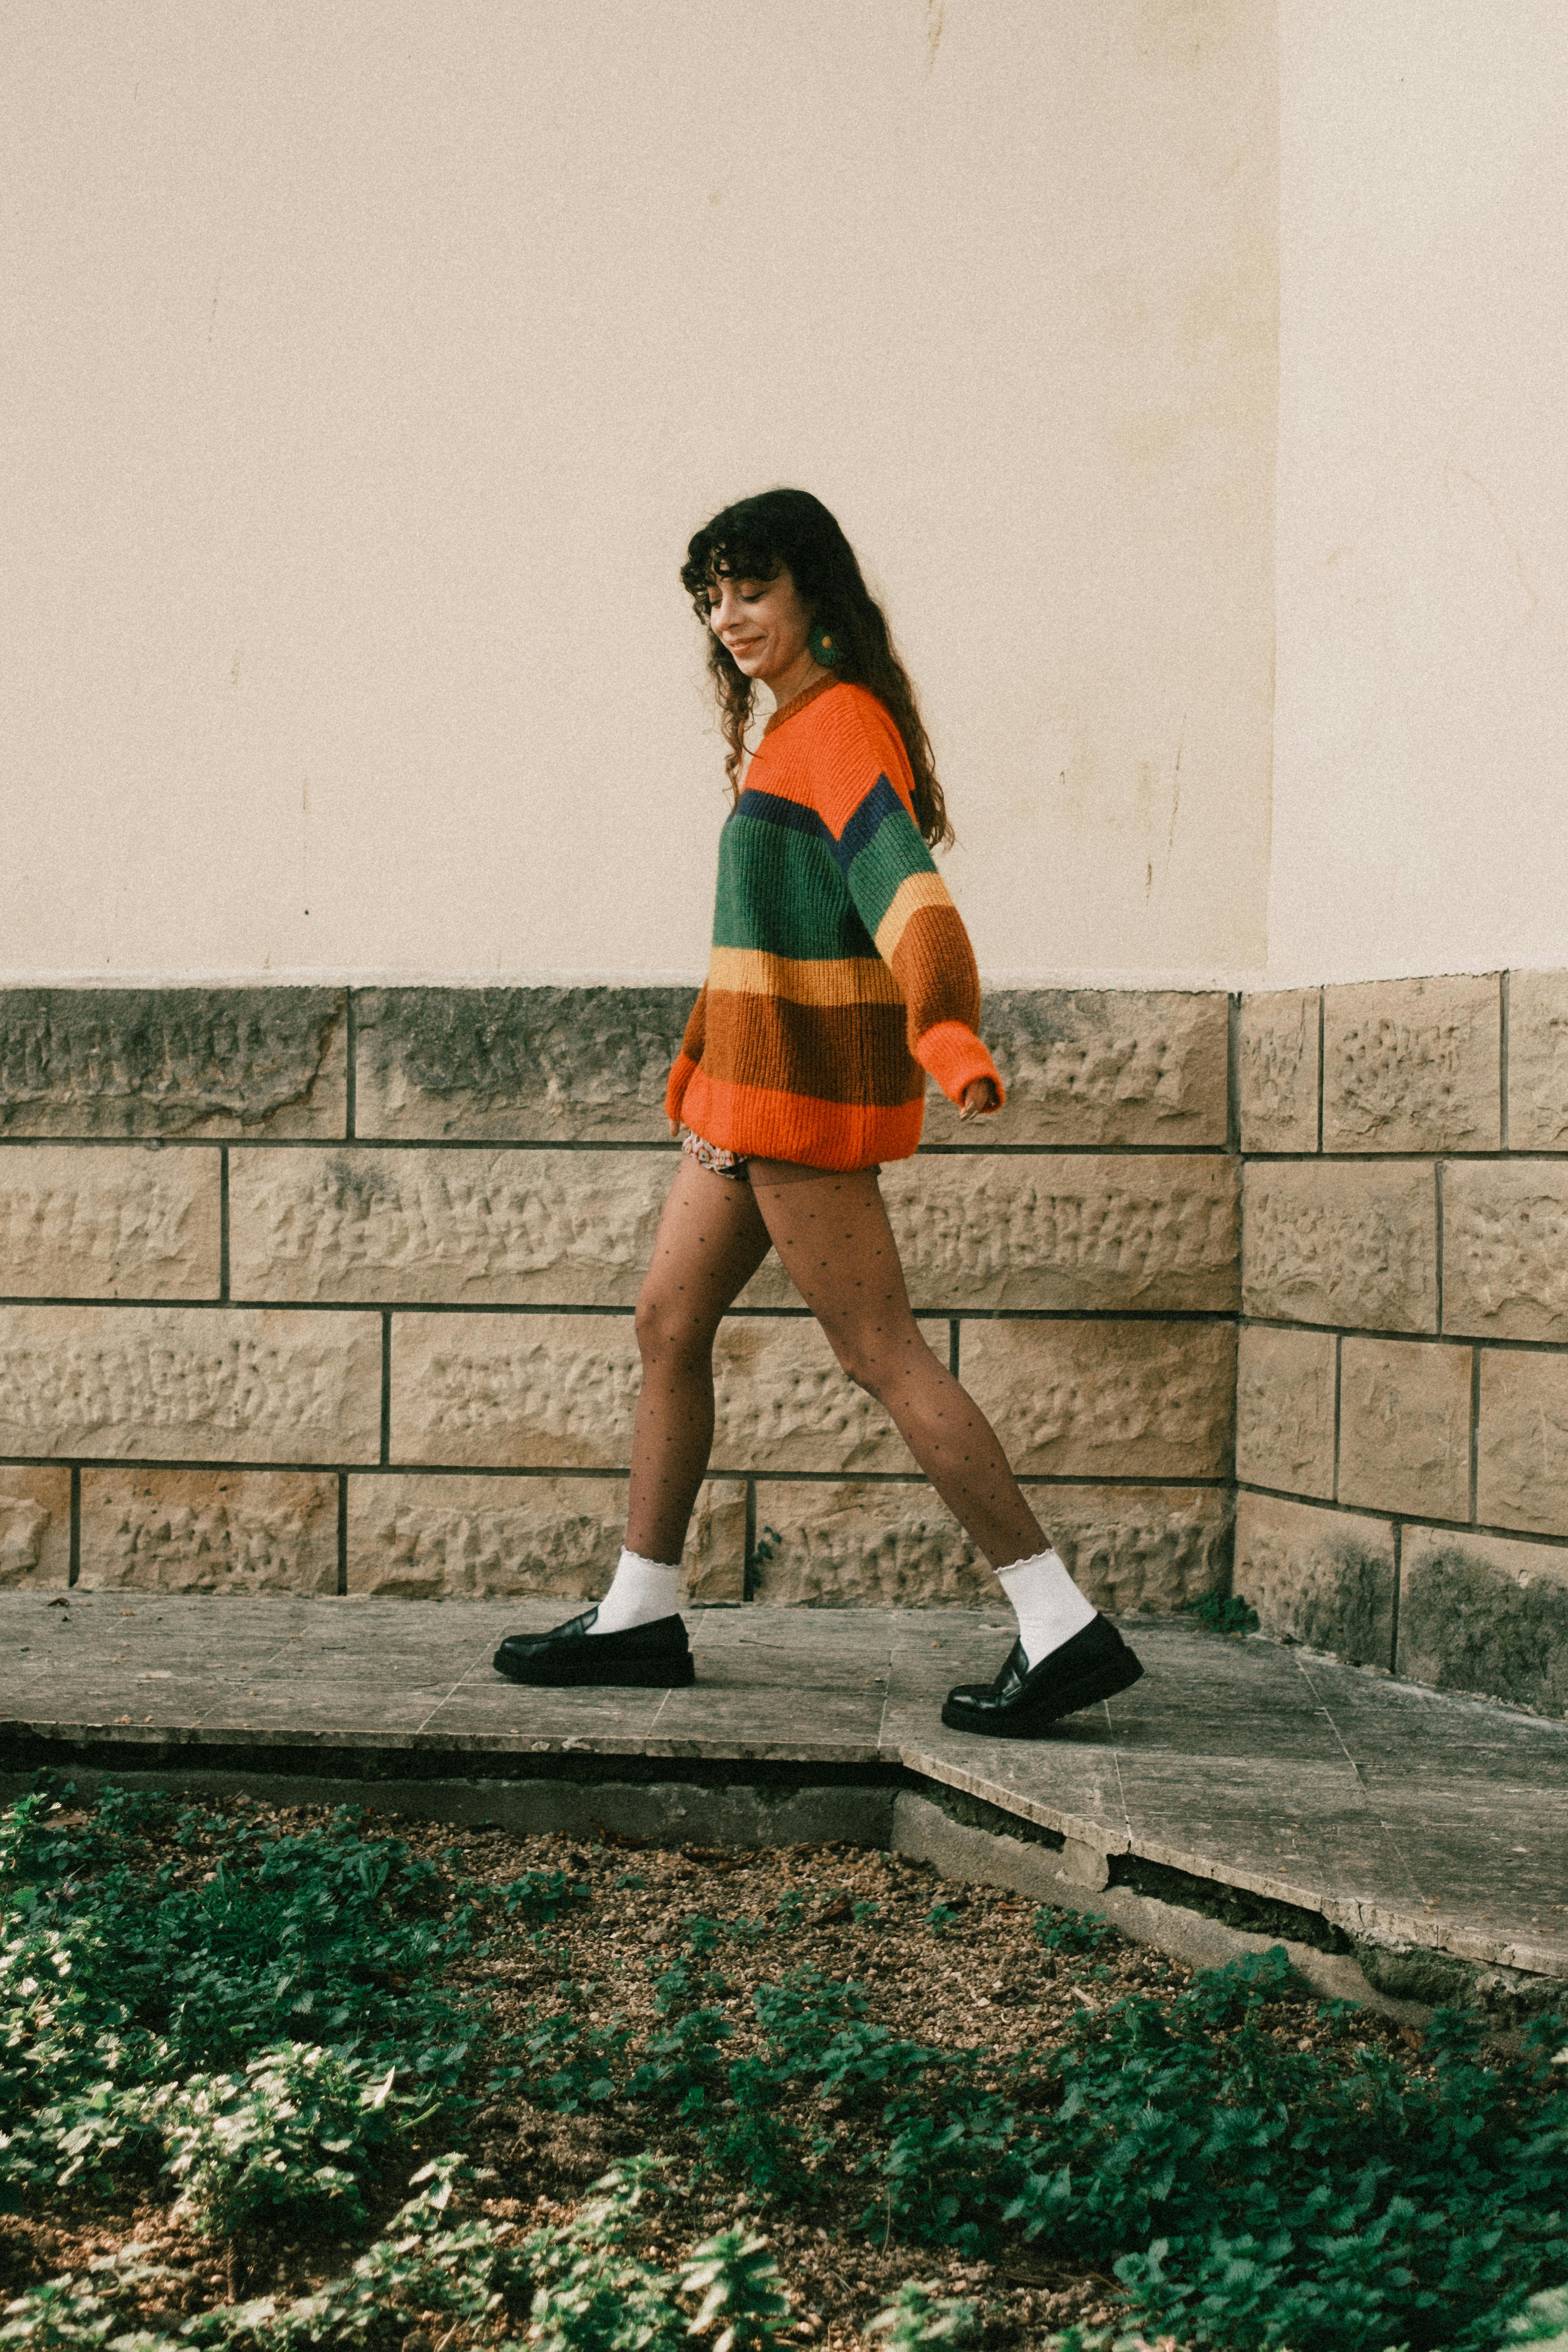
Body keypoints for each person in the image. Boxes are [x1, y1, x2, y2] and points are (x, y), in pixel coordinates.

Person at [494, 489, 1144, 1737]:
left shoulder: (840, 728)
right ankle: (640, 1611)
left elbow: (913, 898)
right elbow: (760, 937)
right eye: (714, 595)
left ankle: (1059, 1621)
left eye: (753, 588)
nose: (731, 616)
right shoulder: (785, 732)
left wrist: (947, 1028)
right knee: (668, 1324)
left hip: (796, 1105)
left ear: (813, 594)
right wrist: (697, 1059)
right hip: (742, 1098)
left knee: (880, 1351)